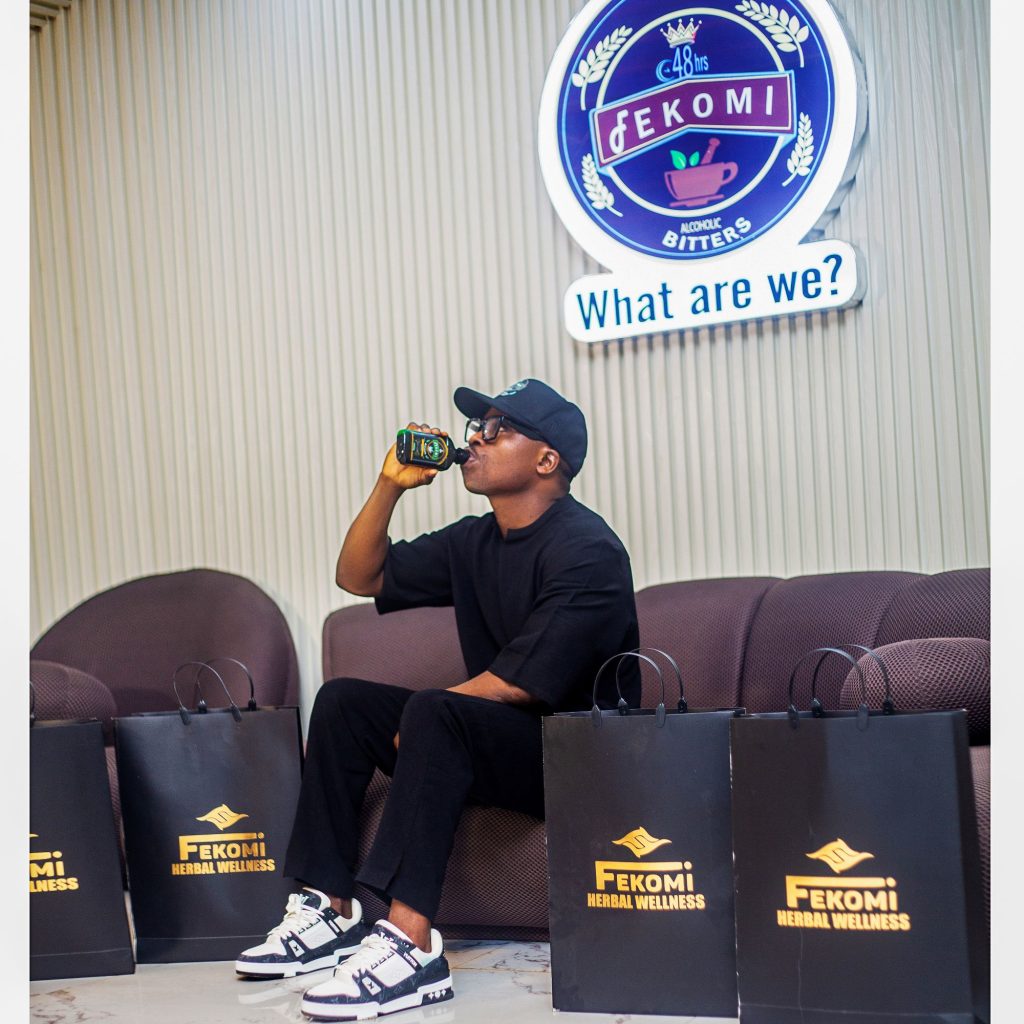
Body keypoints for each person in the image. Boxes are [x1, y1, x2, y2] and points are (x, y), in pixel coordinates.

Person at [235, 378, 641, 1020]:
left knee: (433, 710)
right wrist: (390, 485)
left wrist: (424, 719)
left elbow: (519, 683)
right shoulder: (474, 541)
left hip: (577, 759)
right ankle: (329, 909)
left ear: (546, 460)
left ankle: (410, 944)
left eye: (497, 428)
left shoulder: (588, 550)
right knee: (342, 702)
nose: (475, 437)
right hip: (502, 740)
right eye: (477, 425)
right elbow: (357, 575)